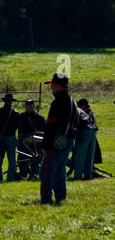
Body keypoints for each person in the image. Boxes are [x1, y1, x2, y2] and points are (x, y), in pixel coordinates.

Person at [40, 75, 77, 206]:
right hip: (68, 140)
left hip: (57, 142)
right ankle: (61, 198)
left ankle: (46, 200)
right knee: (60, 170)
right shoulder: (72, 101)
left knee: (46, 171)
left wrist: (45, 144)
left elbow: (51, 125)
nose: (51, 88)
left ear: (60, 86)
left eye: (54, 85)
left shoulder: (58, 102)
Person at [0, 93, 20, 182]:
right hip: (11, 137)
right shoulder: (15, 113)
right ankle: (10, 179)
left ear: (4, 102)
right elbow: (18, 125)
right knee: (11, 161)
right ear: (11, 102)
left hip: (0, 137)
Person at [17, 98, 47, 180]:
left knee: (36, 158)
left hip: (36, 140)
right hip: (24, 140)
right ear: (25, 107)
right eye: (27, 106)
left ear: (34, 106)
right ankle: (23, 173)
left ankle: (34, 173)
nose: (29, 107)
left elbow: (45, 129)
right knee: (22, 157)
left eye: (31, 106)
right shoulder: (21, 116)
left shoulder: (40, 117)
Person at [71, 98, 98, 181]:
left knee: (80, 155)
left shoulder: (74, 111)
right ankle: (88, 175)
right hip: (92, 131)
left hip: (84, 130)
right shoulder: (83, 112)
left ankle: (78, 176)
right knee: (89, 155)